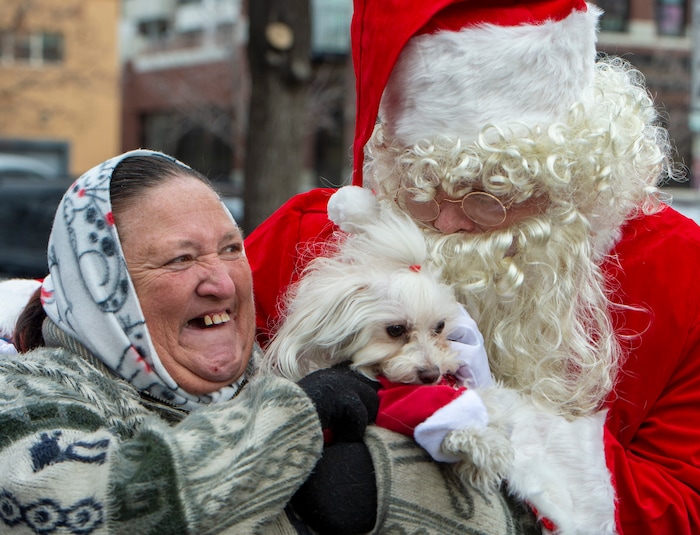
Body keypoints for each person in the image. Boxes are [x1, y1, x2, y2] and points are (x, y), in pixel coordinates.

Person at [244, 0, 700, 533]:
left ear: (570, 182)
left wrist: (513, 428)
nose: (449, 220)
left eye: (487, 195)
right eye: (421, 185)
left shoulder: (680, 271)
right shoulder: (310, 237)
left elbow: (681, 509)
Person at [0, 149, 530, 535]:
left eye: (231, 249)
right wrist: (293, 419)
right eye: (181, 259)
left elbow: (510, 520)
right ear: (99, 283)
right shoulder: (28, 393)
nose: (222, 282)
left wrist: (386, 478)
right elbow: (79, 506)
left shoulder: (281, 379)